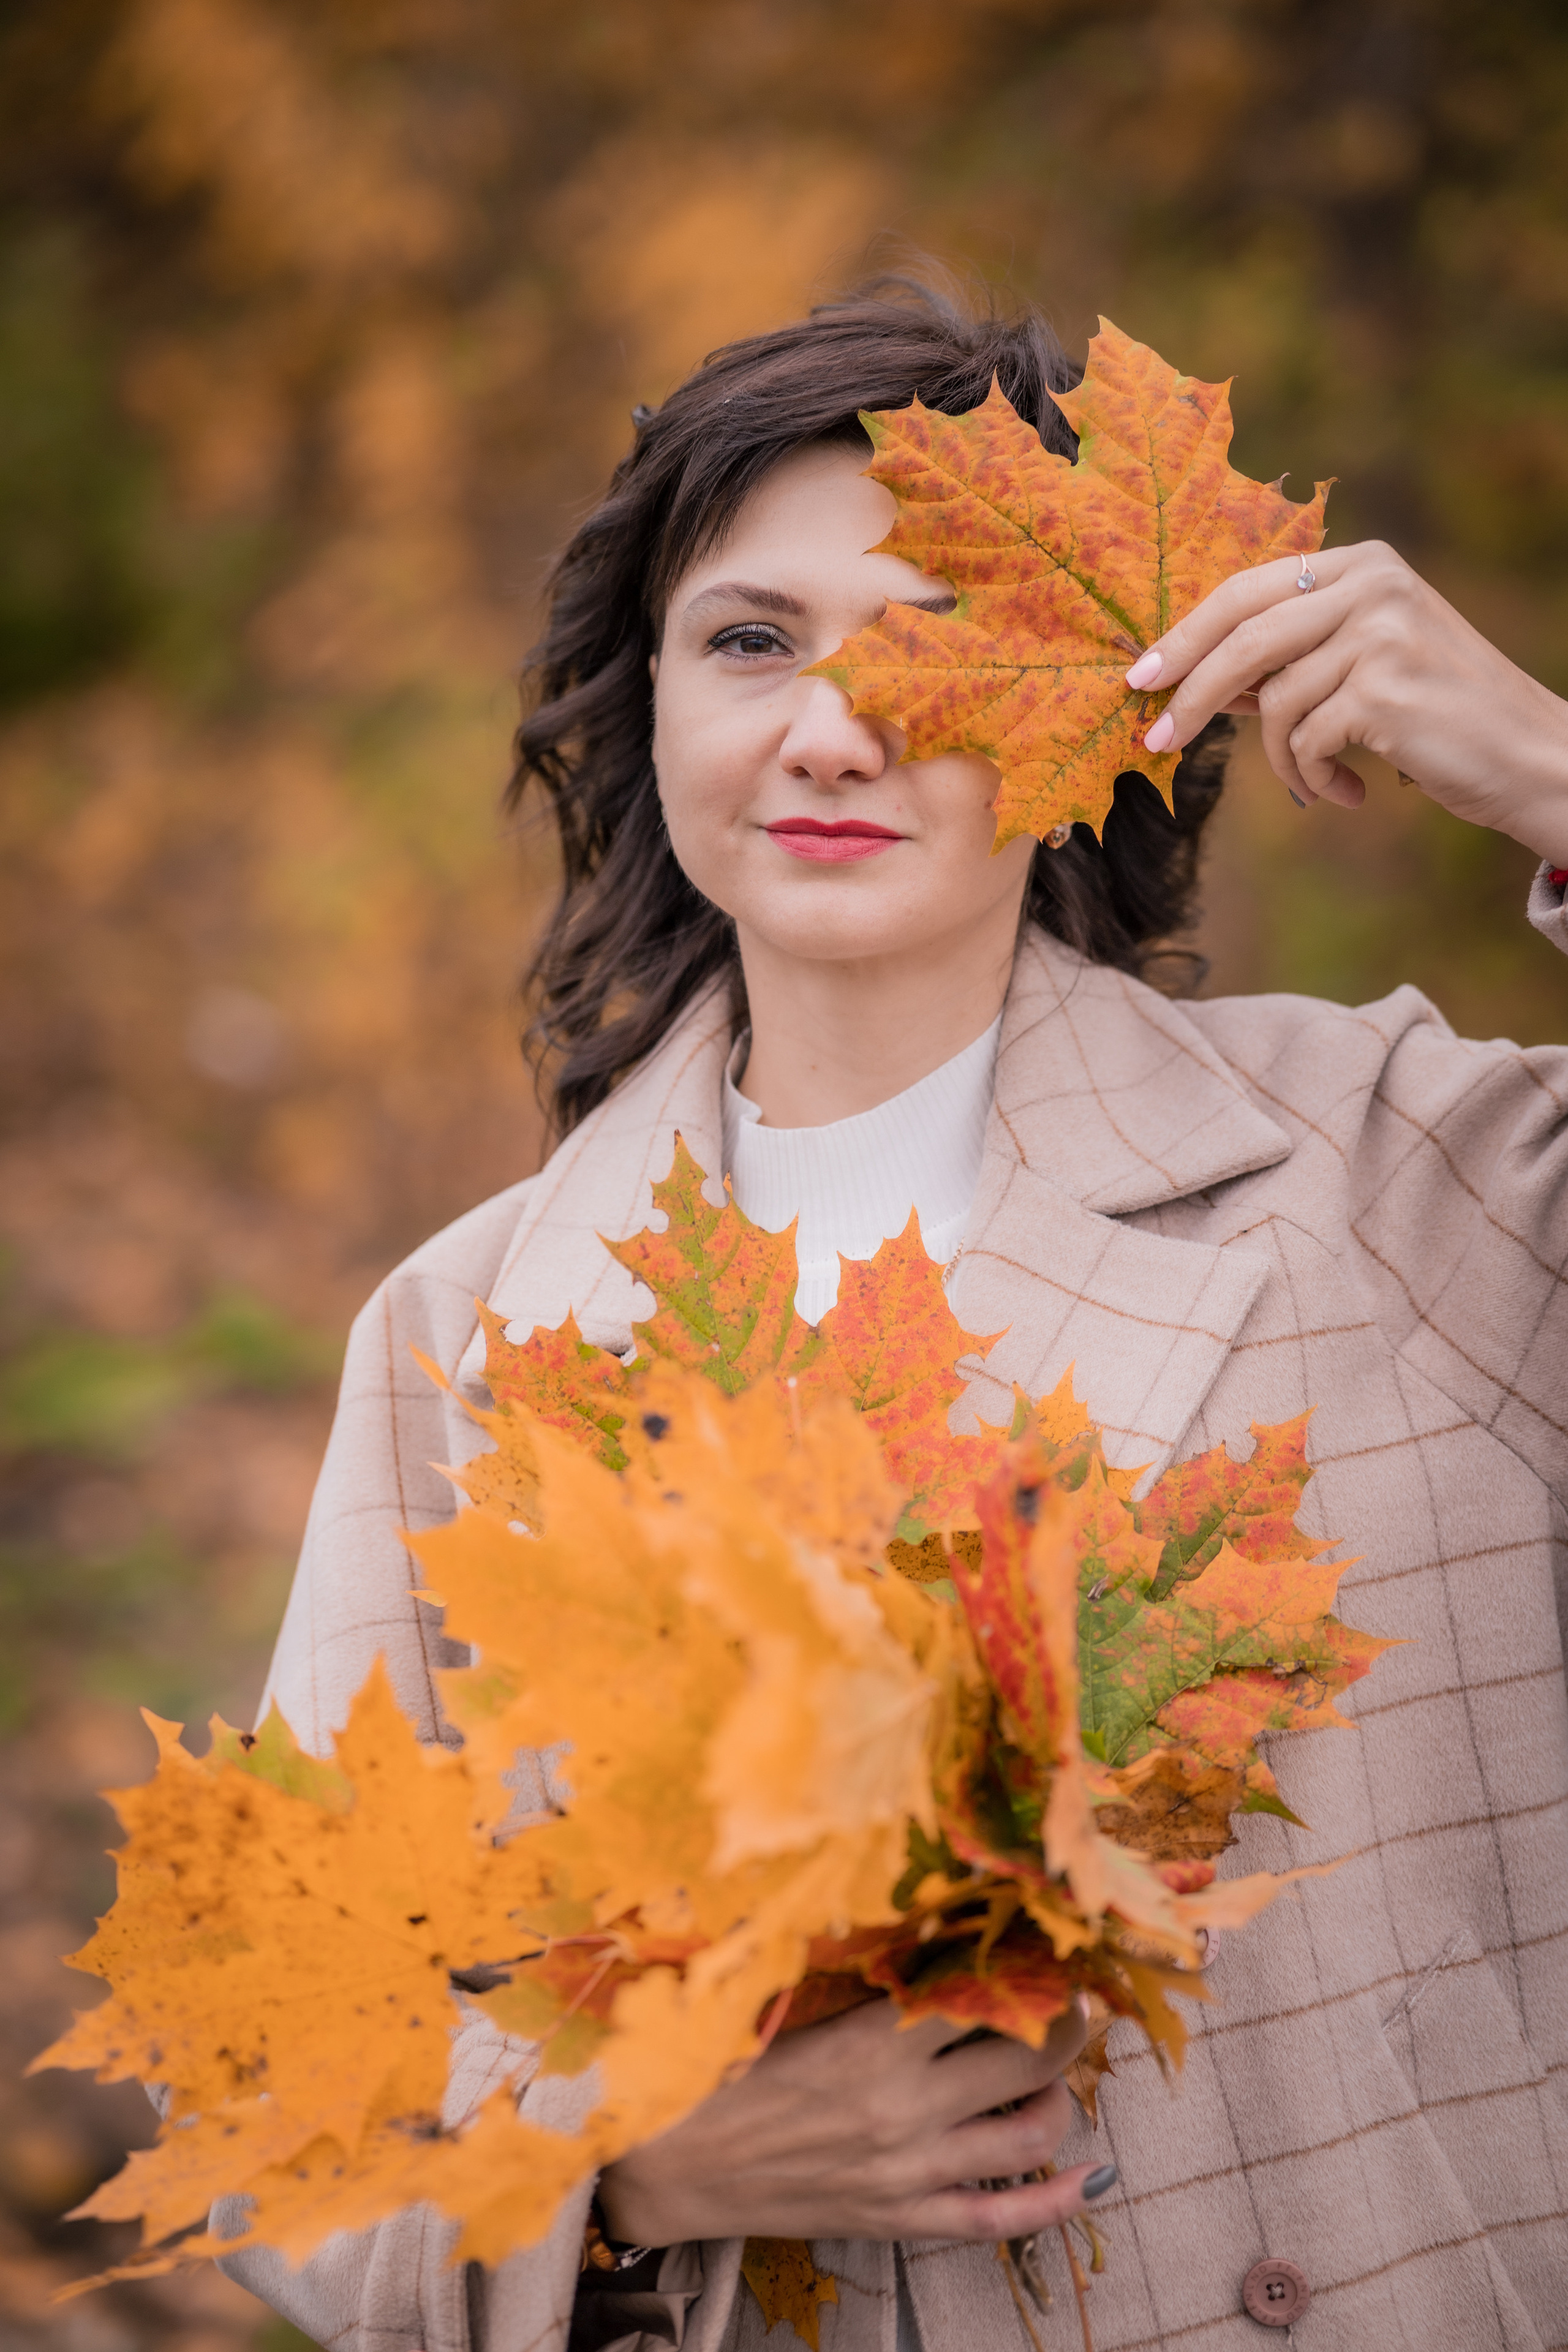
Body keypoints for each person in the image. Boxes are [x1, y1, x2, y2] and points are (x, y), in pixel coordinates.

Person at [224, 276, 1568, 2352]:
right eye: (750, 642)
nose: (835, 726)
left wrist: (1557, 773)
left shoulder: (1401, 1165)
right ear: (651, 706)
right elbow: (259, 2087)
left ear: (1105, 704)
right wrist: (636, 2159)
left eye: (940, 638)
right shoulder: (466, 1338)